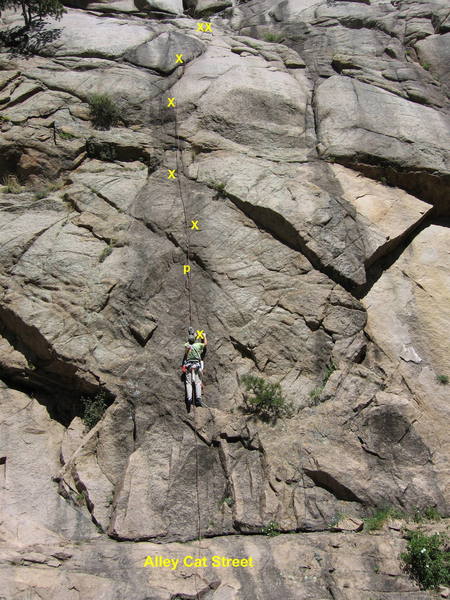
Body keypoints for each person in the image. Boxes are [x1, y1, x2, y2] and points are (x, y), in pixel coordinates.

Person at [182, 331, 207, 411]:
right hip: (196, 365)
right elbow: (205, 344)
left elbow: (190, 343)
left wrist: (193, 337)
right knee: (198, 382)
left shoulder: (186, 345)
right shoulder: (198, 345)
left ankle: (189, 399)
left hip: (189, 366)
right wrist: (204, 336)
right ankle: (198, 399)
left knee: (188, 383)